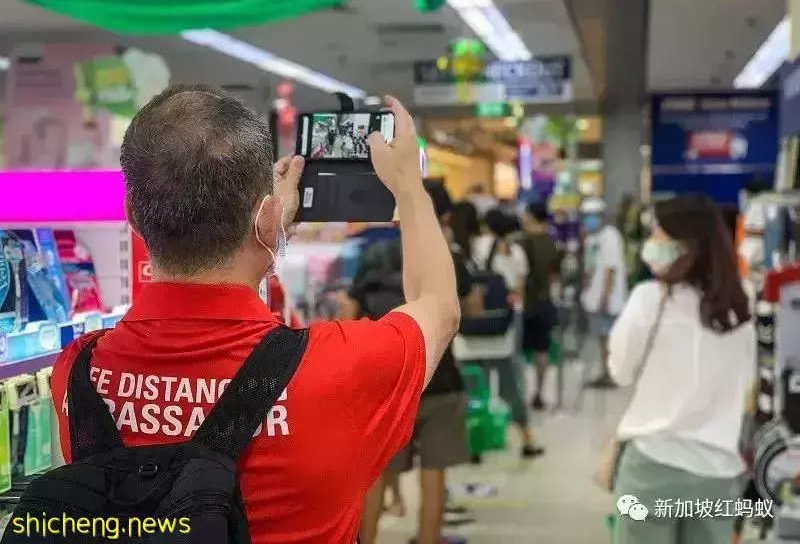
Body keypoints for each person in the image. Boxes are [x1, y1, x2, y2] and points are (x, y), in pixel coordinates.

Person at [49, 86, 461, 544]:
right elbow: (439, 304)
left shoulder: (75, 372)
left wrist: (264, 236)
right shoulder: (340, 369)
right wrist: (408, 185)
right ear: (266, 218)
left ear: (132, 216)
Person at [610, 194, 755, 544]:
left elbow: (620, 371)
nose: (651, 244)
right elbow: (746, 383)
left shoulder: (650, 298)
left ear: (685, 247)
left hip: (653, 466)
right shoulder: (740, 305)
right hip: (717, 473)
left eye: (659, 235)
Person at [358, 179, 473, 544]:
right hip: (439, 376)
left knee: (374, 473)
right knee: (434, 470)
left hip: (386, 382)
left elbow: (351, 308)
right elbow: (464, 312)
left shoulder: (374, 253)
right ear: (445, 215)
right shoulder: (449, 258)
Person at [463, 207, 543, 457]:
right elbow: (519, 289)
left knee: (476, 385)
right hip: (504, 327)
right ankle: (527, 439)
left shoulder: (474, 246)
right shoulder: (515, 251)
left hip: (473, 329)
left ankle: (474, 442)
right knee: (510, 383)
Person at [518, 202, 562, 409]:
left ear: (530, 217)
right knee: (542, 350)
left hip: (525, 304)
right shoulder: (552, 243)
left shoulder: (522, 242)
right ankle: (539, 393)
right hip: (545, 303)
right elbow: (555, 275)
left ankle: (520, 395)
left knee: (518, 351)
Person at [581, 197, 628, 388]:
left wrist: (606, 297)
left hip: (607, 298)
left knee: (609, 336)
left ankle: (612, 372)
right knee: (602, 337)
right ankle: (605, 371)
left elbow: (611, 269)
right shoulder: (591, 239)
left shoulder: (610, 236)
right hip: (595, 296)